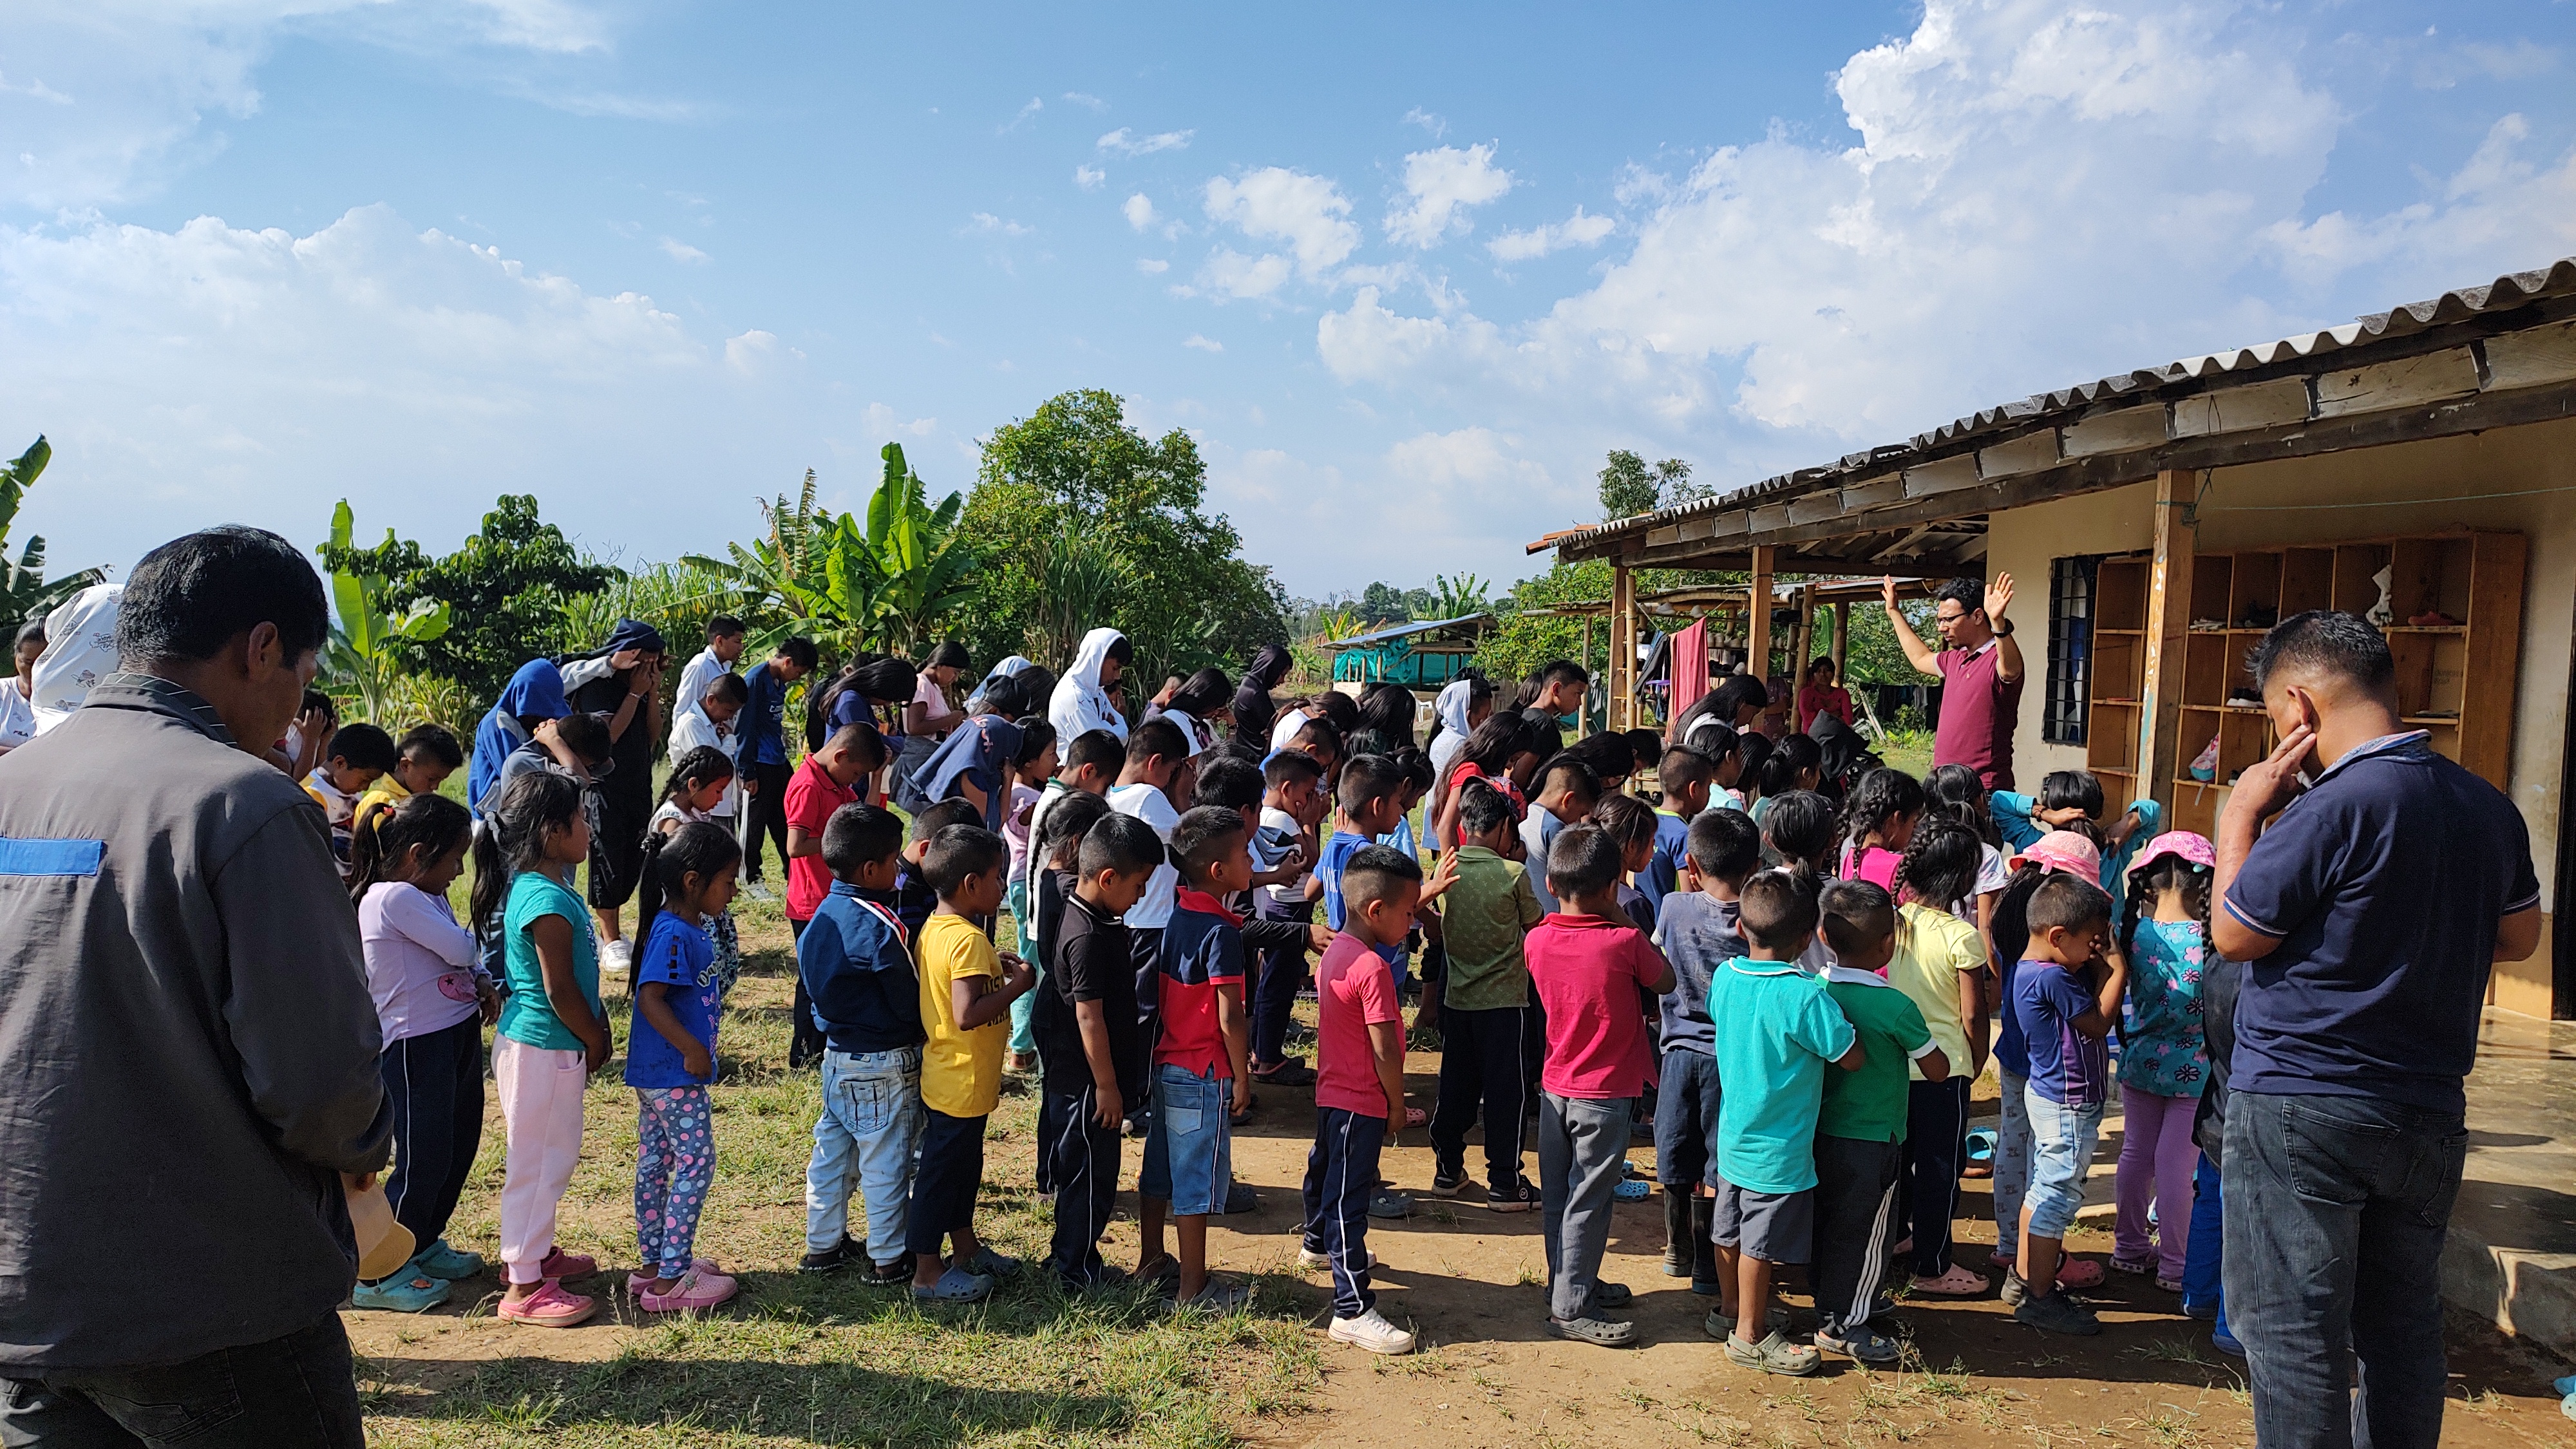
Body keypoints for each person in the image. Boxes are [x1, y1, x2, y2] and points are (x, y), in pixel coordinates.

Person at [0, 528, 388, 1445]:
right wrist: (363, 1141)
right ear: (261, 649)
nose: (300, 704)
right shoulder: (245, 805)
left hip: (26, 1294)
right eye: (302, 668)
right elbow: (318, 1085)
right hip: (209, 1306)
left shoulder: (15, 786)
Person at [2208, 612, 2539, 1448]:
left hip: (2301, 1098)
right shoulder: (2484, 806)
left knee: (2292, 1334)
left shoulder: (2332, 809)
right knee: (2402, 1330)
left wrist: (2239, 819)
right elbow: (2521, 936)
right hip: (2427, 1105)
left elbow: (2236, 933)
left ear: (2297, 706)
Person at [1526, 824, 1675, 1349]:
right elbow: (1666, 982)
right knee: (1590, 1198)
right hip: (1605, 1093)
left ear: (1550, 880)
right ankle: (1572, 1306)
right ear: (1615, 886)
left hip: (1554, 1087)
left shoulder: (1537, 939)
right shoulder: (1625, 942)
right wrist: (1618, 916)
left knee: (1560, 1196)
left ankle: (1565, 1283)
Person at [471, 767, 609, 1328]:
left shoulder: (546, 889)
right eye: (580, 820)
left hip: (545, 1047)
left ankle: (536, 1252)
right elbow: (559, 990)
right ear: (553, 833)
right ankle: (524, 1285)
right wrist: (595, 1037)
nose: (588, 830)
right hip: (541, 1048)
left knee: (553, 1154)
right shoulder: (546, 900)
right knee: (537, 1161)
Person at [1707, 867, 1857, 1376]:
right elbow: (1847, 1054)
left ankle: (1731, 1310)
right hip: (1780, 1148)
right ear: (1806, 939)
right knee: (1760, 1243)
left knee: (1728, 1230)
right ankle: (1750, 1336)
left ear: (1742, 929)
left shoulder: (1726, 977)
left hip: (1733, 1138)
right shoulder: (1805, 995)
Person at [349, 791, 488, 1314]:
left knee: (457, 1144)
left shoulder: (425, 894)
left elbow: (460, 958)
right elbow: (460, 948)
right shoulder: (392, 898)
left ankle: (422, 1240)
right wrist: (472, 955)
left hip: (453, 1031)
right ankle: (380, 1271)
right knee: (423, 1153)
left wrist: (480, 978)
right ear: (417, 853)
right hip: (414, 1044)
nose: (458, 871)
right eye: (454, 859)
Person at [1811, 880, 1946, 1365]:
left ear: (1825, 936)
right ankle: (1845, 1321)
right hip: (1876, 1139)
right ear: (1889, 944)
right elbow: (1937, 1069)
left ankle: (1830, 1302)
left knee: (1827, 1221)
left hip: (1821, 1130)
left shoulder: (1815, 991)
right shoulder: (1896, 1006)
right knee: (1868, 1233)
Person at [1299, 844, 1423, 1356]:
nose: (1414, 922)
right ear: (1376, 911)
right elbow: (1386, 1048)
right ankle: (1351, 1309)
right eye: (1410, 911)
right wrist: (1396, 1104)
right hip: (1361, 1102)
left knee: (1326, 1176)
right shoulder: (1372, 967)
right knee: (1351, 1201)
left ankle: (1315, 1243)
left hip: (1333, 1094)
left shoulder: (1337, 953)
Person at [797, 802, 925, 1285]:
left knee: (832, 1157)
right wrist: (921, 1030)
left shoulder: (820, 919)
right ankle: (889, 1258)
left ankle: (822, 1246)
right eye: (895, 862)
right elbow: (905, 997)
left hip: (836, 1060)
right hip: (885, 1064)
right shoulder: (881, 925)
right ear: (871, 870)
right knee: (885, 1162)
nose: (898, 871)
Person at [909, 825, 1038, 1303]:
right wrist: (1018, 987)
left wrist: (996, 977)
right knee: (941, 1178)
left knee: (964, 1170)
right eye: (997, 878)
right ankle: (927, 1271)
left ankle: (965, 1249)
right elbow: (966, 1014)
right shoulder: (967, 940)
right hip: (959, 1080)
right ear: (970, 885)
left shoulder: (939, 928)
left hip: (960, 1080)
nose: (1003, 887)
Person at [1034, 811, 1159, 1288]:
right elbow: (1089, 1016)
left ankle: (1069, 1257)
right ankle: (1075, 1271)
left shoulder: (1092, 910)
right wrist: (1107, 1087)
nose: (1142, 895)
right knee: (1089, 1179)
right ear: (1107, 878)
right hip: (1087, 1087)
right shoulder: (1086, 937)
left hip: (1090, 1082)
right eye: (1139, 885)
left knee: (1087, 1176)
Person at [1137, 808, 1255, 1309]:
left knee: (1159, 1171)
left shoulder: (1178, 915)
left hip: (1168, 1065)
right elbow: (1230, 1018)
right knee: (1194, 1183)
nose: (1252, 861)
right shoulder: (1221, 933)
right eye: (1245, 853)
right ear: (1219, 872)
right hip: (1205, 1073)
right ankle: (1193, 1288)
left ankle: (1150, 1260)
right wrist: (1243, 1075)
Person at [624, 820, 743, 1314]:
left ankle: (654, 1265)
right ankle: (673, 1278)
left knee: (657, 1160)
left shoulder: (685, 928)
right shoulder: (674, 932)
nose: (734, 891)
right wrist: (692, 1049)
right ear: (694, 882)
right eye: (728, 881)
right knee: (696, 1162)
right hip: (674, 1074)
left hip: (658, 1073)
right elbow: (650, 997)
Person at [2000, 871, 2125, 1337]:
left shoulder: (2032, 968)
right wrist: (2116, 969)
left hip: (2050, 1093)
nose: (2097, 949)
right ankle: (2040, 1298)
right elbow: (2097, 1025)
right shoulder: (2054, 977)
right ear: (2058, 936)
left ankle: (2024, 1277)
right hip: (2068, 1103)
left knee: (2042, 1190)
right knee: (2057, 1196)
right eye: (2092, 942)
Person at [1984, 830, 2108, 1288]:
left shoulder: (2018, 928)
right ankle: (2039, 1263)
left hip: (2018, 1059)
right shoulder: (2058, 963)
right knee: (2048, 1169)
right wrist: (2110, 968)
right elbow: (2095, 1021)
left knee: (2015, 1149)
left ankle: (2008, 1247)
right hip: (2053, 1072)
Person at [1643, 809, 1757, 1294]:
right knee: (1718, 1160)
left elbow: (1655, 957)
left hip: (1678, 1051)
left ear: (1690, 863)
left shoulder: (1672, 907)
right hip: (1731, 1060)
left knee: (1672, 1146)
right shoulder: (1756, 921)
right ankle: (1711, 1266)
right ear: (1753, 871)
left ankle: (1677, 1249)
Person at [1884, 819, 1993, 1297]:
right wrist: (1976, 1057)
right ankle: (1933, 1266)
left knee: (1899, 1163)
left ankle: (1901, 1238)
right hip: (1944, 1072)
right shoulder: (1962, 935)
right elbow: (1974, 1013)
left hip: (1894, 1065)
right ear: (1963, 878)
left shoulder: (1892, 919)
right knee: (1940, 1171)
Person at [1428, 781, 1546, 1210]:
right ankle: (1504, 1180)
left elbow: (1432, 919)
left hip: (1458, 999)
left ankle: (1447, 1169)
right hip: (1505, 1004)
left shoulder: (1447, 869)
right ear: (1501, 830)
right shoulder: (1513, 874)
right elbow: (1536, 925)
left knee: (1455, 1085)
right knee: (1505, 1093)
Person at [2112, 831, 2216, 1294]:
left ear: (2148, 885)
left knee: (2136, 1154)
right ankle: (2176, 1266)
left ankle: (2129, 1249)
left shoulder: (2135, 935)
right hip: (2193, 1072)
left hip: (2139, 1063)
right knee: (2178, 1165)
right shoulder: (2212, 941)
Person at [560, 620, 668, 973]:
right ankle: (611, 939)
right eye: (645, 660)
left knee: (635, 856)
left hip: (638, 780)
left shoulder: (642, 686)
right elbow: (606, 739)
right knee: (607, 858)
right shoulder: (599, 686)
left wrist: (650, 693)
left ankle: (623, 935)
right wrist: (634, 694)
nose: (649, 667)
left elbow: (652, 737)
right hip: (603, 785)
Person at [784, 723, 888, 1068]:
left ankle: (822, 1047)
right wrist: (840, 848)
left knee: (833, 976)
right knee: (812, 980)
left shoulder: (837, 783)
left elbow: (865, 822)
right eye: (857, 772)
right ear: (841, 756)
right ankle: (803, 1052)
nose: (854, 779)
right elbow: (795, 846)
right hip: (811, 903)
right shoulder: (808, 785)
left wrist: (876, 779)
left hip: (834, 899)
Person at [1881, 573, 2023, 790]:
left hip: (1982, 791)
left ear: (1977, 617)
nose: (1941, 628)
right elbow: (1920, 659)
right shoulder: (1955, 659)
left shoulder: (1997, 659)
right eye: (1940, 620)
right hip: (1943, 787)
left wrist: (1999, 625)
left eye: (1949, 620)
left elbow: (2011, 670)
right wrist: (1893, 612)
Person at [1250, 748, 1329, 1086]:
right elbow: (1311, 860)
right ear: (1286, 789)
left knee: (1275, 983)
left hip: (1278, 907)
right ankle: (1267, 1059)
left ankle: (1264, 1054)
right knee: (1278, 988)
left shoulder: (1267, 816)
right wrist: (1311, 822)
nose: (1312, 799)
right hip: (1289, 911)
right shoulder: (1282, 820)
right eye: (1307, 793)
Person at [650, 746, 744, 999]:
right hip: (687, 909)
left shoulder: (694, 813)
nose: (719, 799)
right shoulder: (672, 821)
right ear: (693, 784)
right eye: (717, 791)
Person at [734, 636, 819, 893]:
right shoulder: (755, 681)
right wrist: (746, 769)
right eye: (798, 671)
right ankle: (751, 878)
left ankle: (792, 872)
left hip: (778, 760)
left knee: (785, 819)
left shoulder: (778, 682)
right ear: (788, 661)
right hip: (758, 762)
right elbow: (744, 728)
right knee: (754, 823)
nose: (797, 677)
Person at [469, 658, 567, 819]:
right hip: (493, 817)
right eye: (536, 710)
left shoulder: (536, 722)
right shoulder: (496, 724)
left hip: (527, 811)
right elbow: (518, 773)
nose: (542, 718)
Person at [304, 722, 398, 876]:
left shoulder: (349, 788)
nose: (366, 787)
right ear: (340, 763)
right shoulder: (313, 796)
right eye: (365, 780)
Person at [1520, 754, 1602, 915]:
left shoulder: (1526, 815)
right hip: (1549, 916)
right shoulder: (1554, 828)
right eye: (1581, 813)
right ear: (1568, 800)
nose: (1578, 820)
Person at [352, 723, 466, 838]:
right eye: (432, 779)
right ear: (406, 766)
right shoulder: (382, 803)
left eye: (441, 780)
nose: (435, 787)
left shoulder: (419, 801)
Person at [667, 670, 748, 826]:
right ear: (711, 700)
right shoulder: (691, 724)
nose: (730, 717)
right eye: (729, 710)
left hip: (721, 808)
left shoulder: (715, 725)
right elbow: (713, 768)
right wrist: (730, 740)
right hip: (704, 812)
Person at [1643, 745, 1714, 916]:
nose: (1710, 794)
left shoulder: (1647, 822)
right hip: (1668, 935)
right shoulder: (1683, 835)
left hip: (1645, 924)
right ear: (1694, 790)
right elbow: (1688, 897)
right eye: (1708, 787)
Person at [1837, 766, 1925, 895]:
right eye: (1914, 820)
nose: (1915, 828)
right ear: (1897, 818)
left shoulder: (1850, 857)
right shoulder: (1899, 869)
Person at [667, 615, 745, 757]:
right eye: (737, 641)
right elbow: (683, 710)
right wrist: (680, 750)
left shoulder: (725, 667)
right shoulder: (700, 666)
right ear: (720, 640)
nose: (741, 647)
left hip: (717, 741)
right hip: (697, 744)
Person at [1050, 627, 1133, 743]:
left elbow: (1121, 731)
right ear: (1098, 659)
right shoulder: (1075, 698)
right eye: (1115, 668)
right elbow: (1100, 746)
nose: (1117, 676)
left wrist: (1106, 728)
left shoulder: (1094, 689)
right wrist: (1108, 726)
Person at [1233, 643, 1293, 755]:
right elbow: (1277, 728)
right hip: (1256, 759)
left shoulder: (1249, 684)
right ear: (1272, 670)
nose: (1282, 681)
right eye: (1282, 675)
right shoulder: (1256, 694)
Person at [0, 616, 44, 750]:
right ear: (16, 655)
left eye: (42, 663)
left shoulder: (72, 701)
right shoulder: (3, 692)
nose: (35, 670)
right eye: (28, 662)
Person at [1795, 657, 1853, 733]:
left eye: (1827, 670)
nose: (1823, 674)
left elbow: (1848, 719)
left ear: (1833, 673)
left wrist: (1821, 717)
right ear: (1813, 675)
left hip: (1837, 737)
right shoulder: (1807, 693)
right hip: (1812, 738)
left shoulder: (1843, 694)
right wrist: (1835, 716)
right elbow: (1809, 718)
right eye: (1819, 671)